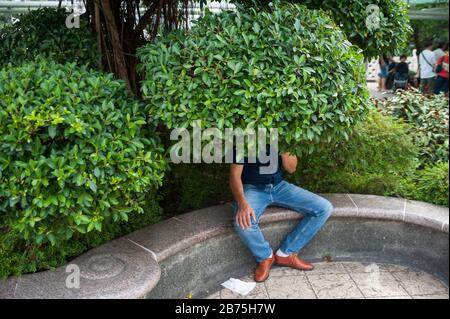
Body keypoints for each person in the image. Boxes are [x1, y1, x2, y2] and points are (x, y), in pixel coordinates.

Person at [229, 145, 333, 282]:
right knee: (243, 223)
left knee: (324, 208)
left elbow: (291, 168)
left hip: (279, 187)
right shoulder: (245, 138)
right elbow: (234, 175)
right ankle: (266, 257)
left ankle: (286, 254)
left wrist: (282, 143)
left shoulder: (283, 135)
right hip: (253, 189)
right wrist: (242, 204)